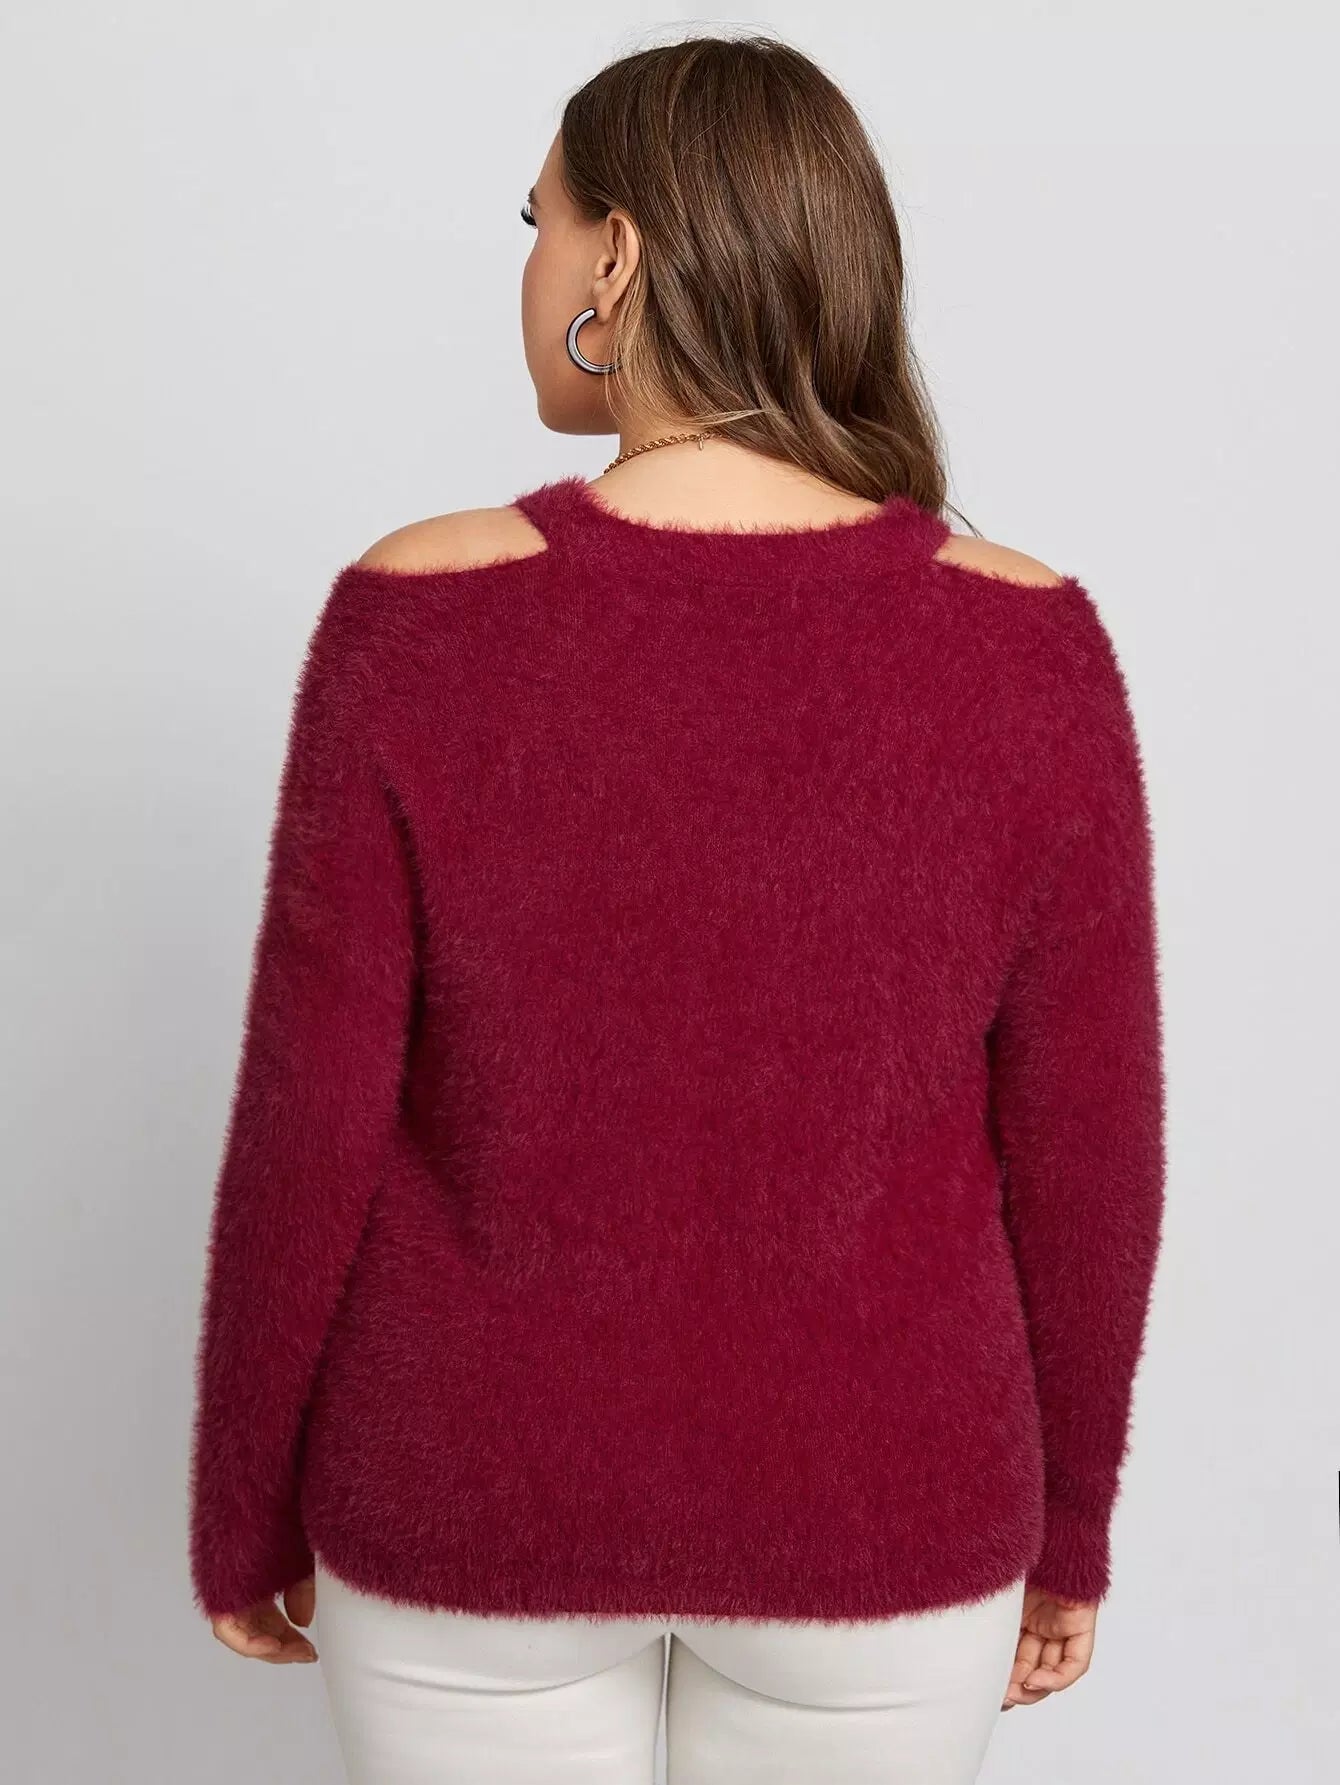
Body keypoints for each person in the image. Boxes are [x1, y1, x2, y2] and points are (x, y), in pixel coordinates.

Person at [187, 31, 1165, 1785]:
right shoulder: (1029, 641)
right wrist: (1071, 1521)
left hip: (472, 1502)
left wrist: (242, 1494)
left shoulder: (417, 614)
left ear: (619, 258)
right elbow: (1091, 1147)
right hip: (886, 1514)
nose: (528, 268)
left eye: (540, 222)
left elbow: (307, 1119)